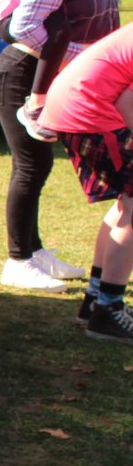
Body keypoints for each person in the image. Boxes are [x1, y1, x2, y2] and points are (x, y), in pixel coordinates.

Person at [0, 0, 131, 292]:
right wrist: (80, 57)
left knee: (40, 166)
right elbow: (22, 26)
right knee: (30, 166)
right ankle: (17, 260)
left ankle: (33, 252)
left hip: (50, 77)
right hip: (22, 73)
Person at [41, 22, 133, 341]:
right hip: (90, 110)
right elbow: (127, 102)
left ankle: (96, 300)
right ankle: (107, 309)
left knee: (126, 204)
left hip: (81, 106)